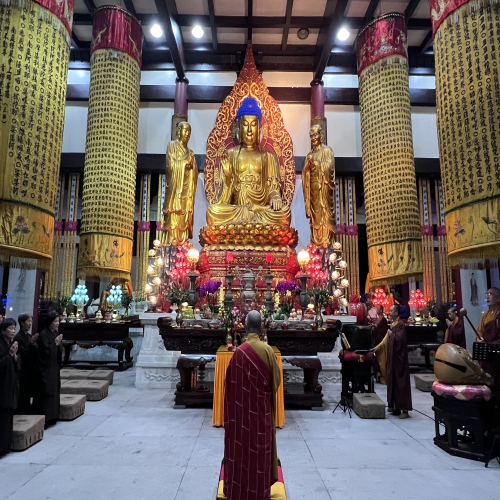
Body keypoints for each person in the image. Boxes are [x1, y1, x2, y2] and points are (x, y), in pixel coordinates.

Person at [206, 97, 291, 226]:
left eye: (253, 124)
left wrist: (275, 197)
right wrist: (228, 178)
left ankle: (253, 218)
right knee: (213, 212)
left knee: (284, 213)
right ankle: (251, 222)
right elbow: (224, 200)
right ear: (239, 127)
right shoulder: (231, 155)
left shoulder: (268, 156)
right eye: (245, 125)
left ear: (260, 128)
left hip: (261, 211)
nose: (250, 130)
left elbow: (273, 189)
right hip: (237, 211)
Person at [224, 310, 281, 500]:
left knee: (242, 451)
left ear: (245, 326)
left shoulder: (239, 352)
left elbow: (229, 384)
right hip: (261, 413)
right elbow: (277, 382)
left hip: (241, 417)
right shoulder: (267, 351)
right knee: (259, 453)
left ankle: (238, 490)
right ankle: (260, 491)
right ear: (262, 327)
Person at [162, 121, 199, 246]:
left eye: (189, 131)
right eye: (185, 130)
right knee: (174, 219)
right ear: (179, 131)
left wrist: (192, 167)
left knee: (184, 217)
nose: (187, 133)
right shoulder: (171, 146)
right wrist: (185, 164)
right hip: (175, 191)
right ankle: (172, 241)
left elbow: (195, 172)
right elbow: (171, 165)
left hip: (186, 192)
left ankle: (183, 242)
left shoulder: (191, 152)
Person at [373, 304, 412, 419]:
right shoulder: (393, 324)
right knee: (393, 381)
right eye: (389, 311)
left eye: (392, 311)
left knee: (401, 382)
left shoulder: (400, 325)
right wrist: (377, 348)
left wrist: (392, 335)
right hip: (392, 358)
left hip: (399, 359)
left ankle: (405, 409)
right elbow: (386, 339)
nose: (389, 312)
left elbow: (400, 339)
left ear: (397, 313)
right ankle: (395, 406)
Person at [302, 124, 336, 248]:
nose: (313, 138)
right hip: (313, 191)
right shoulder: (309, 155)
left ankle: (325, 241)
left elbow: (330, 167)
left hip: (324, 192)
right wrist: (307, 166)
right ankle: (316, 243)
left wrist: (315, 163)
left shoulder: (327, 150)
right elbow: (305, 175)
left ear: (321, 135)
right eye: (311, 135)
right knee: (315, 217)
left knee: (324, 215)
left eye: (315, 134)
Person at [477, 287, 500, 428]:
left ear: (498, 298)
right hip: (486, 356)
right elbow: (480, 331)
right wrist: (480, 339)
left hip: (496, 357)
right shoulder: (486, 315)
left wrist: (490, 343)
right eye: (487, 293)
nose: (487, 296)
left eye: (491, 294)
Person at [36, 311, 63, 426]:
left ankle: (54, 416)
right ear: (49, 322)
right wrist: (55, 344)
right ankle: (46, 418)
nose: (57, 324)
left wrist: (58, 345)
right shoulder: (44, 334)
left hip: (54, 367)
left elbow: (57, 351)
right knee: (48, 392)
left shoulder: (54, 333)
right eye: (55, 321)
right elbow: (45, 352)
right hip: (46, 368)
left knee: (55, 390)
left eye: (58, 321)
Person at [0, 318, 20, 455]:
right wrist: (10, 355)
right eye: (10, 328)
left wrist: (14, 357)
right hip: (2, 386)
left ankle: (6, 445)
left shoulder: (10, 343)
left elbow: (15, 364)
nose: (13, 331)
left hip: (10, 385)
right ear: (3, 330)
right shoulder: (1, 344)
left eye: (14, 328)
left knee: (8, 418)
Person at [14, 314, 39, 414]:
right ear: (22, 323)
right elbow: (24, 353)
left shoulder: (28, 336)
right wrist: (32, 343)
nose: (30, 324)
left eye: (31, 321)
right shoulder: (18, 337)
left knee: (29, 393)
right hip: (23, 369)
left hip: (30, 369)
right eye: (28, 321)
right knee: (23, 393)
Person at [371, 305, 388, 383]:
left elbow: (384, 331)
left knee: (381, 359)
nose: (376, 310)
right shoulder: (378, 319)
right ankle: (377, 376)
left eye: (378, 309)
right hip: (377, 341)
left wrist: (376, 329)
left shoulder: (384, 320)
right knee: (376, 359)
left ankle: (382, 377)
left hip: (381, 342)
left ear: (381, 310)